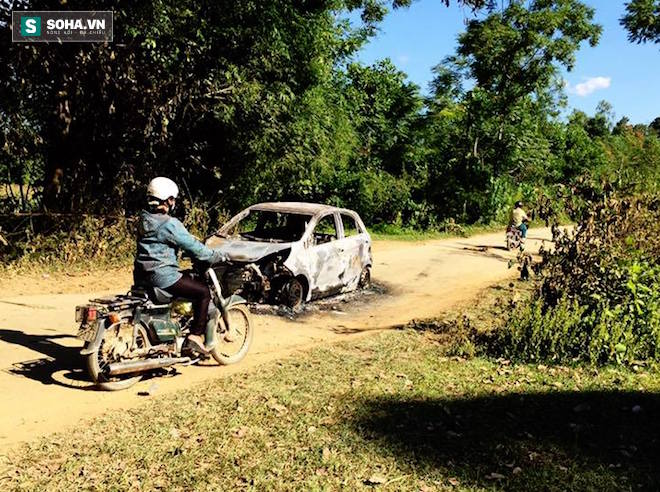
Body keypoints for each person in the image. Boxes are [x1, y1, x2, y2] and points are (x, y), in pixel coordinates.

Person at [133, 177, 226, 354]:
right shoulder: (170, 224)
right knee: (203, 292)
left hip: (141, 275)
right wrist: (215, 256)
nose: (174, 202)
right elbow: (194, 247)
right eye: (173, 199)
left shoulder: (143, 219)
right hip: (162, 276)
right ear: (168, 200)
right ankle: (195, 337)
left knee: (186, 280)